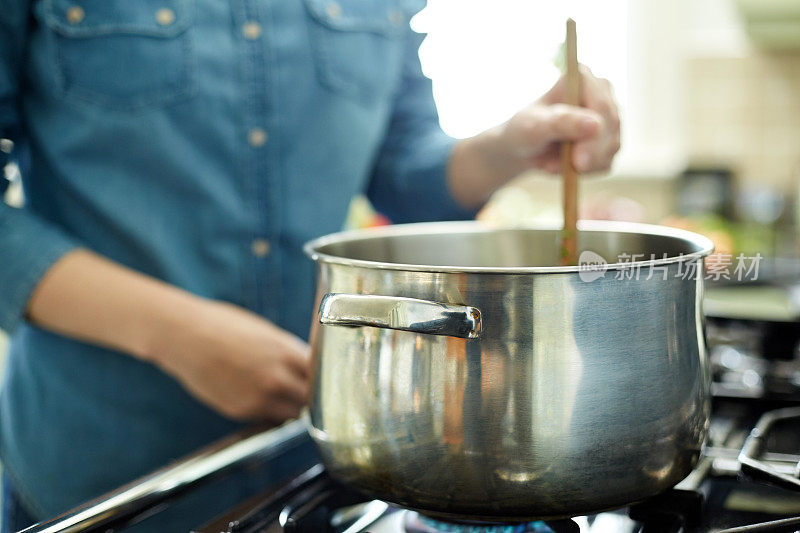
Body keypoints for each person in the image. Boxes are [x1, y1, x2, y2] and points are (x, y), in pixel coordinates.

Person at [0, 1, 620, 530]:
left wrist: (510, 144)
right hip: (106, 469)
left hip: (322, 463)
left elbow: (405, 174)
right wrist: (172, 334)